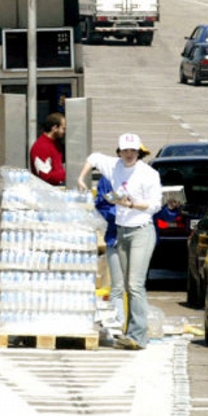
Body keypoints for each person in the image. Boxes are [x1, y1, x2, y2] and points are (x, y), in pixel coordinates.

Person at [77, 133, 163, 350]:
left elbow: (155, 205)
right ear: (119, 151)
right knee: (124, 285)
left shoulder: (148, 173)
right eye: (125, 150)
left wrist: (132, 205)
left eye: (133, 151)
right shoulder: (114, 166)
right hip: (122, 231)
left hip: (141, 230)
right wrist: (81, 178)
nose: (129, 154)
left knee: (135, 284)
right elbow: (94, 157)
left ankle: (138, 336)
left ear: (139, 152)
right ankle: (128, 332)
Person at [30, 112, 66, 186]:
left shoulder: (55, 143)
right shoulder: (40, 147)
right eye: (63, 128)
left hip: (55, 188)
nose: (64, 132)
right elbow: (45, 175)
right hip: (45, 191)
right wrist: (65, 175)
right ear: (55, 128)